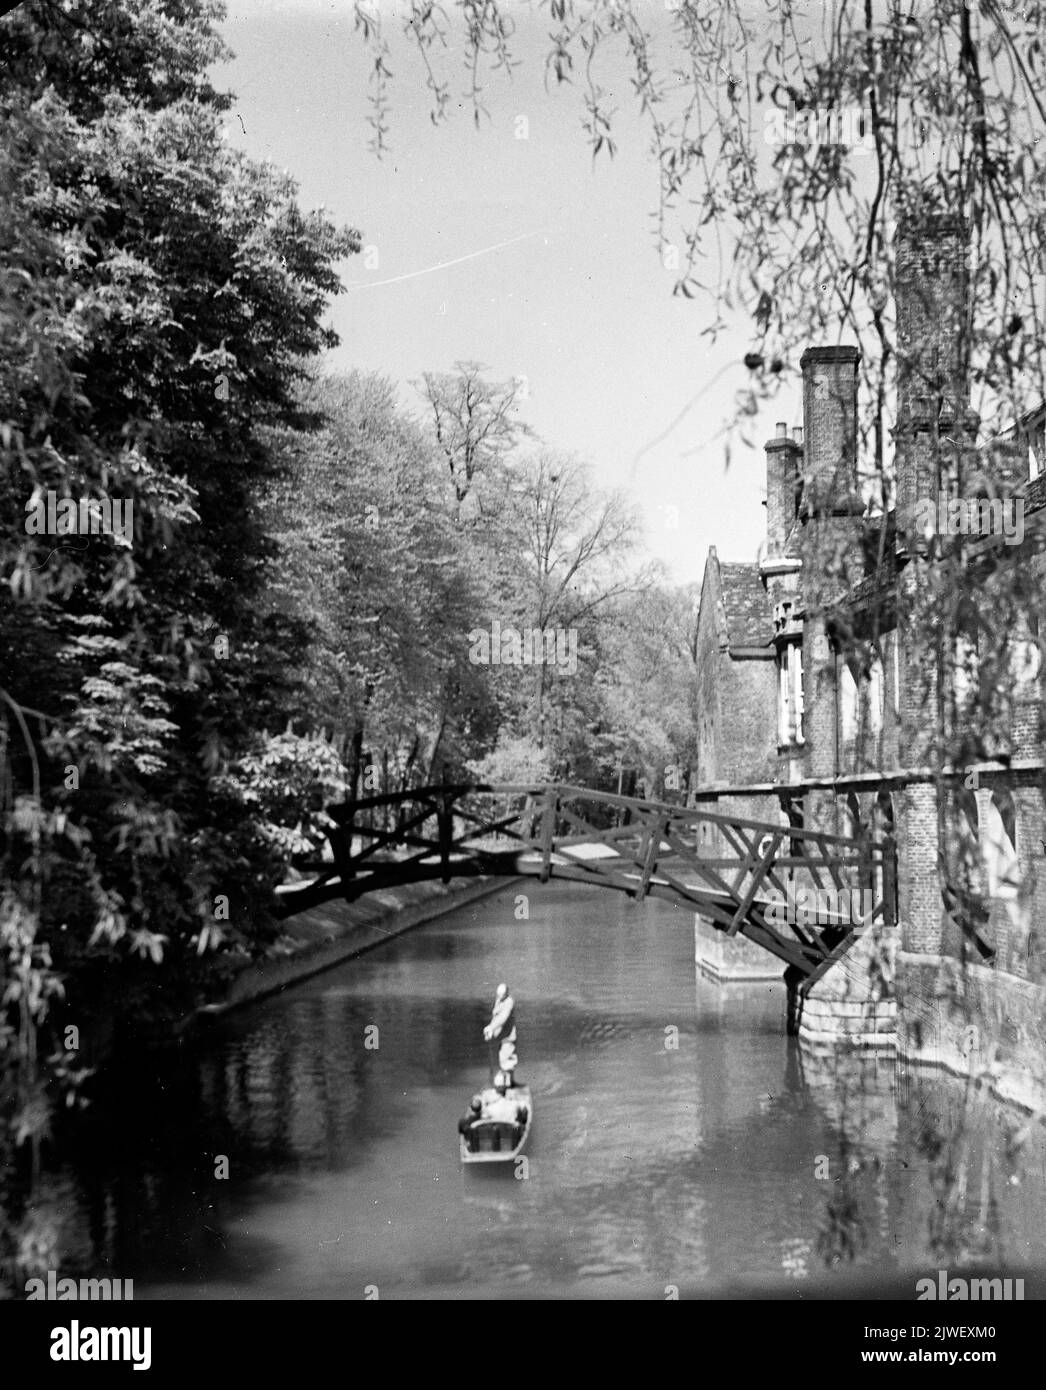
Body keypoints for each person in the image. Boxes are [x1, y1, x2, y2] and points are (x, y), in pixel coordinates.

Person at [483, 982, 520, 1089]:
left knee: (507, 1062)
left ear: (506, 994)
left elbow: (503, 1018)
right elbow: (496, 1017)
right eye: (498, 995)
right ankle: (506, 1084)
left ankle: (507, 1087)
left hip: (508, 1038)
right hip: (501, 1036)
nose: (499, 997)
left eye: (501, 995)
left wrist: (491, 1027)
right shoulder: (499, 1000)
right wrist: (490, 1031)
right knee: (502, 1060)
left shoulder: (509, 1002)